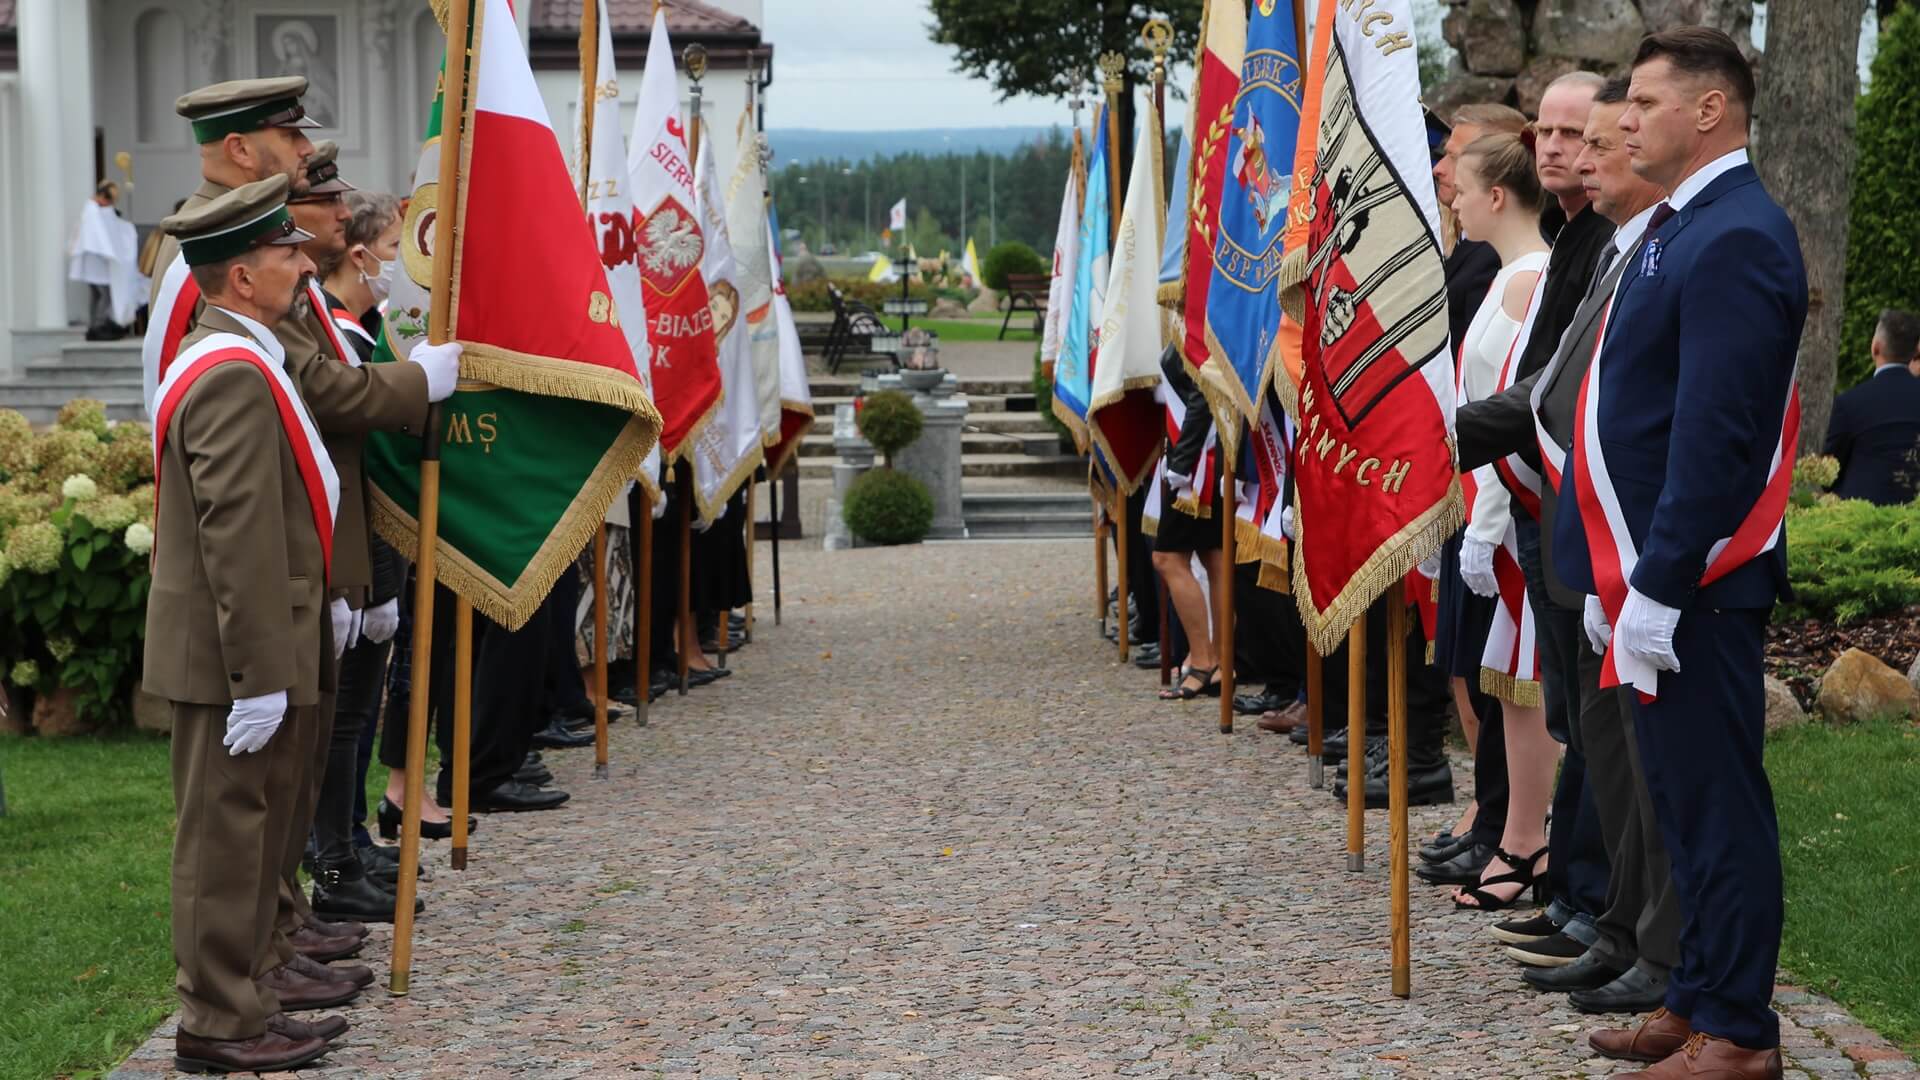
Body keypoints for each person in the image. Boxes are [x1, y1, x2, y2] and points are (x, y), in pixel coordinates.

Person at [150, 74, 457, 985]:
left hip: (293, 571)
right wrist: (419, 384)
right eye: (288, 139)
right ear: (242, 149)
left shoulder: (253, 264)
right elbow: (250, 448)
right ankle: (234, 996)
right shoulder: (212, 274)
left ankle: (272, 948)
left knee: (272, 798)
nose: (302, 155)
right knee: (234, 817)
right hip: (251, 594)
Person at [1562, 28, 1804, 1079]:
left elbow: (1713, 432)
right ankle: (1699, 995)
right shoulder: (1680, 226)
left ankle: (1740, 1031)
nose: (1625, 121)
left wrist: (1657, 581)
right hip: (1655, 572)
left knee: (1717, 805)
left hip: (1698, 580)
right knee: (1679, 801)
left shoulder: (1737, 233)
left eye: (1646, 103)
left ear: (1709, 111)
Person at [1459, 75, 1683, 1015]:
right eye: (1554, 135)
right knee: (1592, 733)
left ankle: (1631, 931)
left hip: (1622, 535)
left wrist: (1447, 440)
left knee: (1630, 751)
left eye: (1590, 139)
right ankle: (1607, 917)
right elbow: (1557, 385)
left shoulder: (1658, 245)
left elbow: (1581, 395)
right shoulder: (1598, 243)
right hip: (1569, 520)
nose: (1570, 154)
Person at [144, 176, 349, 1074]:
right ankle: (219, 1025)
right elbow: (237, 533)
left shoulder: (244, 354)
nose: (303, 266)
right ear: (240, 277)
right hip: (230, 654)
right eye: (285, 253)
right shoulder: (231, 372)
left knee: (253, 834)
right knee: (224, 844)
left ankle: (250, 992)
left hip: (250, 642)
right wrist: (258, 675)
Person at [288, 146, 411, 922]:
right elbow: (350, 439)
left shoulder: (347, 326)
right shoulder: (327, 327)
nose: (398, 260)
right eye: (393, 246)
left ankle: (347, 842)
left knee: (354, 714)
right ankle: (332, 858)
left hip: (368, 552)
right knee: (341, 722)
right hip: (347, 551)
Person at [1438, 130, 1553, 912]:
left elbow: (1509, 412)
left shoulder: (1528, 279)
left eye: (1464, 187)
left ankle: (1527, 839)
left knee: (1526, 682)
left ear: (1499, 196)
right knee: (1508, 684)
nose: (1454, 199)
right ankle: (1517, 834)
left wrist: (1485, 521)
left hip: (1512, 504)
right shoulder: (1508, 276)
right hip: (1490, 503)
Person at [1152, 343, 1226, 701]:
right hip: (1205, 455)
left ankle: (1203, 660)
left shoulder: (1196, 325)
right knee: (1214, 557)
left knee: (1167, 558)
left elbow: (1202, 393)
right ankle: (1221, 660)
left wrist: (1181, 462)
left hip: (1198, 462)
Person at [1824, 308, 1920, 505]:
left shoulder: (1849, 403)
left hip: (1862, 514)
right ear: (1914, 352)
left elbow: (1828, 474)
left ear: (1875, 347)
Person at [70, 180, 142, 340]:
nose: (109, 205)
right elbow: (100, 237)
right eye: (109, 201)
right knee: (105, 296)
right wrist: (112, 253)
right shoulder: (93, 212)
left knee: (97, 296)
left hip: (93, 263)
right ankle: (99, 326)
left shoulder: (90, 210)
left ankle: (94, 325)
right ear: (103, 196)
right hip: (98, 263)